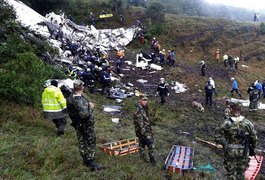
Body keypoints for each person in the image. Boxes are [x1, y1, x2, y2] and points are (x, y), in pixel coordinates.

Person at [67, 80, 104, 170]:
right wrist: (91, 108)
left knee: (81, 141)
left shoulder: (70, 98)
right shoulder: (79, 100)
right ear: (82, 87)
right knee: (90, 141)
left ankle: (85, 159)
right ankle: (90, 161)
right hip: (85, 125)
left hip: (77, 124)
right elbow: (85, 115)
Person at [215, 102, 257, 179]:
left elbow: (217, 135)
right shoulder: (247, 123)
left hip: (230, 150)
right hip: (243, 150)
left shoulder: (226, 122)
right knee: (241, 173)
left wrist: (224, 144)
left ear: (231, 109)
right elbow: (254, 137)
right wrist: (252, 147)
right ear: (240, 109)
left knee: (231, 173)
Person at [134, 95, 156, 166]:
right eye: (144, 100)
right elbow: (140, 126)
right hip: (143, 132)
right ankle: (152, 161)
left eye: (146, 100)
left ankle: (144, 160)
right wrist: (147, 135)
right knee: (150, 145)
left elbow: (147, 120)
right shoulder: (138, 111)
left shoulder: (144, 108)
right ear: (140, 100)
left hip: (145, 131)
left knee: (142, 145)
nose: (145, 101)